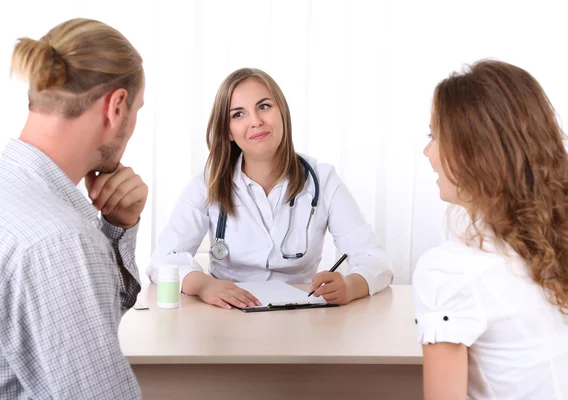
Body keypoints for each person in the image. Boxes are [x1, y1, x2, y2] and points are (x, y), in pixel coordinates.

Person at [0, 18, 147, 399]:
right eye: (137, 111)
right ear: (116, 106)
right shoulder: (58, 240)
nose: (133, 126)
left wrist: (117, 228)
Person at [148, 67, 393, 309]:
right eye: (238, 114)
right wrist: (203, 285)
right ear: (228, 131)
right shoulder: (207, 183)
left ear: (282, 113)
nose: (256, 121)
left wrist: (351, 285)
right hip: (226, 321)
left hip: (300, 319)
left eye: (264, 106)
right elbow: (163, 260)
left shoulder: (323, 180)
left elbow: (375, 259)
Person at [414, 60, 568, 399]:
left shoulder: (449, 269)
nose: (427, 152)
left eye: (434, 136)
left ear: (475, 150)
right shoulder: (553, 241)